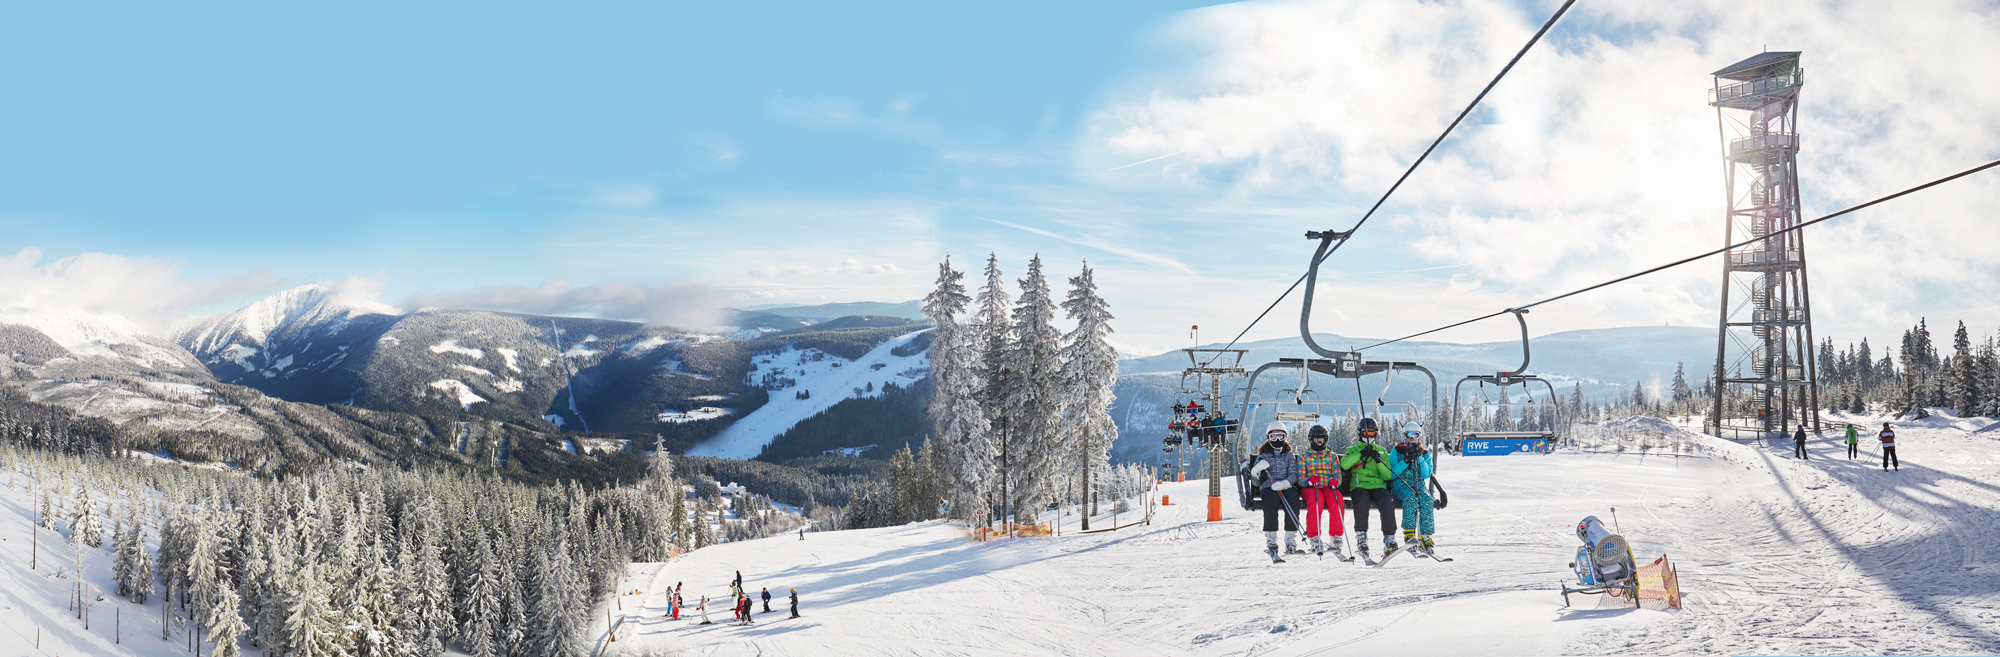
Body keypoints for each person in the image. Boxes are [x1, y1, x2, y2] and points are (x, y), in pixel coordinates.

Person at [1339, 417, 1399, 557]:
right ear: (1360, 434)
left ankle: (1389, 538)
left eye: (1372, 433)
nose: (1369, 436)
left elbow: (1387, 476)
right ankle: (1361, 538)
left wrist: (1378, 460)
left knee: (1386, 499)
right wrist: (1361, 454)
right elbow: (1344, 464)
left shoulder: (1382, 451)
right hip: (1359, 486)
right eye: (1366, 433)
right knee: (1361, 500)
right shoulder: (1353, 450)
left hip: (1377, 486)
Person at [1248, 421, 1305, 560]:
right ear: (1268, 438)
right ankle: (1271, 542)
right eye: (1274, 437)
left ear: (1285, 437)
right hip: (1269, 486)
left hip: (1286, 486)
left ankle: (1290, 541)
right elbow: (1255, 482)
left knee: (1293, 499)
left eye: (1280, 436)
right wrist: (1256, 471)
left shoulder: (1288, 455)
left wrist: (1285, 483)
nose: (1278, 440)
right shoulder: (1263, 456)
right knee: (1269, 501)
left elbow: (1293, 474)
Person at [1388, 422, 1437, 552]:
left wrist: (1419, 457)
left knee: (1427, 499)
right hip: (1401, 483)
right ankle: (1409, 534)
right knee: (1411, 498)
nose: (1412, 438)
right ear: (1405, 435)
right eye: (1409, 435)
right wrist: (1405, 461)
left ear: (1419, 436)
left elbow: (1426, 474)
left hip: (1419, 484)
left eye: (1415, 435)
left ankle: (1425, 535)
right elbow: (1391, 475)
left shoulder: (1424, 453)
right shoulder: (1396, 452)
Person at [1298, 425, 1346, 557]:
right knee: (1316, 501)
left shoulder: (1332, 456)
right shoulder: (1304, 457)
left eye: (1321, 439)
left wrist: (1336, 482)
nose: (1318, 442)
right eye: (1316, 439)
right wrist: (1308, 481)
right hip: (1311, 487)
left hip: (1328, 486)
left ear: (1326, 440)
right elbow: (1300, 478)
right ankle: (1314, 536)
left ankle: (1335, 536)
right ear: (1310, 440)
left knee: (1337, 501)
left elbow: (1337, 475)